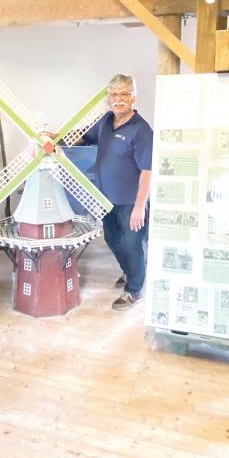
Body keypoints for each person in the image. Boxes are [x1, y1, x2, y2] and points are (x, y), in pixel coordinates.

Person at [79, 74, 153, 309]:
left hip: (130, 202)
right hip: (106, 199)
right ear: (108, 99)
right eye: (114, 94)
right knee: (112, 238)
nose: (118, 99)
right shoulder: (105, 122)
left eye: (124, 94)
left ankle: (134, 290)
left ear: (133, 97)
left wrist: (140, 206)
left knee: (131, 244)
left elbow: (147, 171)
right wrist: (55, 139)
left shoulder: (141, 130)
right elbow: (82, 137)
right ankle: (130, 270)